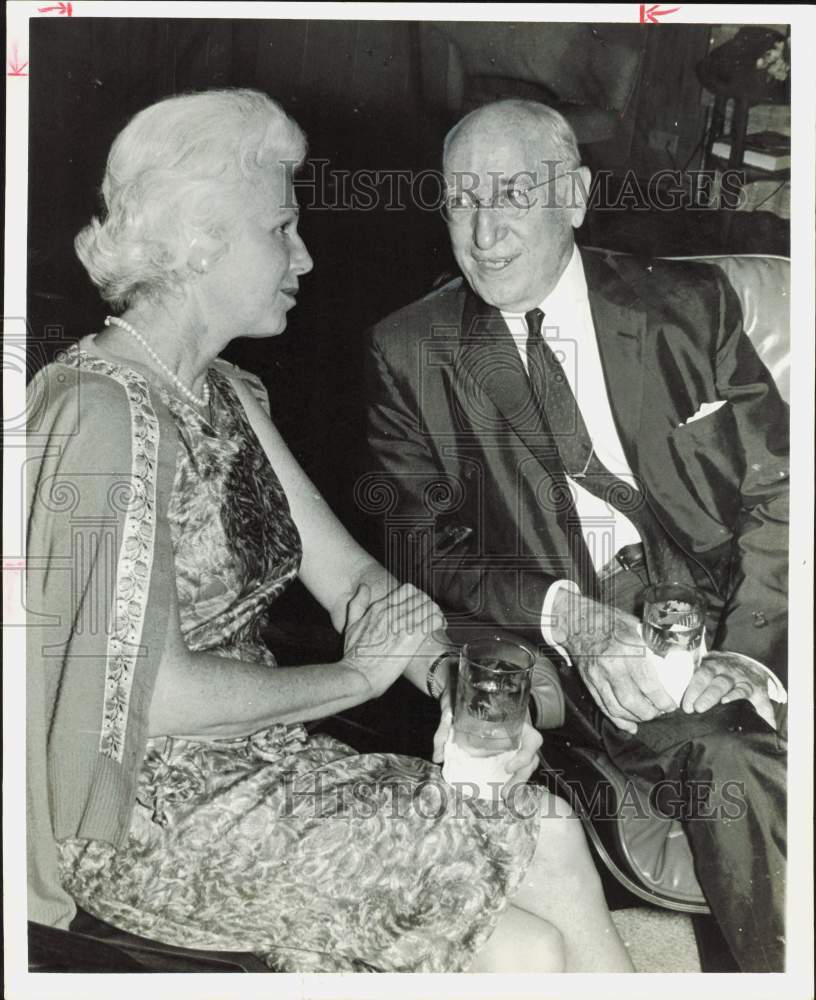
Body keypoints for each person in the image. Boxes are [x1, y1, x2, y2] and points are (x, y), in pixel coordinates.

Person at [25, 89, 635, 974]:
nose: (305, 254)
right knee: (523, 950)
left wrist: (471, 692)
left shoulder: (226, 393)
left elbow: (354, 584)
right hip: (144, 818)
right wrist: (355, 676)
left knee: (544, 827)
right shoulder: (97, 412)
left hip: (259, 767)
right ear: (200, 243)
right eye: (281, 227)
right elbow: (152, 697)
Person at [365, 98, 789, 971]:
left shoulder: (686, 306)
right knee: (733, 755)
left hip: (745, 599)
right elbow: (419, 542)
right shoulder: (410, 350)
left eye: (511, 193)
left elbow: (783, 491)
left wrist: (748, 651)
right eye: (458, 199)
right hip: (582, 631)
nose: (482, 230)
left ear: (576, 196)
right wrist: (569, 616)